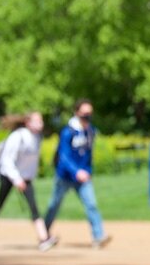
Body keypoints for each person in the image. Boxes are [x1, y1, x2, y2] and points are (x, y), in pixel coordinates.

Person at [0, 111, 56, 252]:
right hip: (9, 176)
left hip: (26, 178)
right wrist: (16, 179)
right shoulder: (18, 137)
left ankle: (43, 238)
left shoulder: (37, 138)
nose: (41, 124)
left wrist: (28, 177)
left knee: (33, 207)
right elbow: (7, 160)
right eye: (37, 121)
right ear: (28, 122)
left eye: (41, 121)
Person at [44, 99, 109, 249]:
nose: (88, 116)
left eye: (90, 113)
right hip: (65, 176)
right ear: (77, 112)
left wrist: (87, 171)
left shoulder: (90, 131)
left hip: (83, 177)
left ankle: (98, 237)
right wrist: (76, 171)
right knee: (54, 205)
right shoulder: (68, 132)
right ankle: (44, 233)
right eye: (85, 113)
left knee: (91, 204)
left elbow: (88, 155)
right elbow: (64, 156)